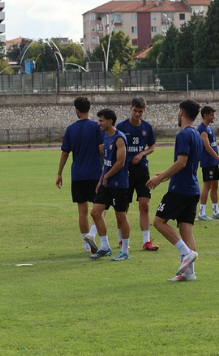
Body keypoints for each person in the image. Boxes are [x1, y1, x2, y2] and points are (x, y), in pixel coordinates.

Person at [147, 99, 203, 282]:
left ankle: (186, 253)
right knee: (186, 229)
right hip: (193, 188)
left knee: (158, 222)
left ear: (180, 112)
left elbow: (181, 162)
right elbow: (187, 165)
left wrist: (159, 178)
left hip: (180, 189)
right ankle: (190, 273)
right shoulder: (196, 134)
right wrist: (165, 173)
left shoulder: (183, 135)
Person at [55, 97, 104, 253]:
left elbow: (64, 153)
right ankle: (93, 234)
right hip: (95, 174)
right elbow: (102, 149)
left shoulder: (70, 129)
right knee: (101, 208)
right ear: (90, 109)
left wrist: (59, 173)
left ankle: (85, 244)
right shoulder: (97, 127)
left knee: (82, 211)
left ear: (76, 110)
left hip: (77, 175)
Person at [115, 97, 159, 251]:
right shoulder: (121, 126)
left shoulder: (147, 127)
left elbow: (152, 147)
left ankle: (146, 241)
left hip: (142, 170)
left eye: (140, 111)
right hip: (125, 171)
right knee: (124, 206)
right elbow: (115, 147)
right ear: (130, 108)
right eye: (135, 111)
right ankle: (122, 239)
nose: (137, 114)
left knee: (144, 205)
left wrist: (142, 153)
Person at [88, 109, 131, 261]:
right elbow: (106, 163)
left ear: (110, 121)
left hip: (118, 184)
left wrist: (106, 176)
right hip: (106, 182)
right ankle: (105, 247)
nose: (98, 123)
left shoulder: (119, 138)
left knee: (120, 216)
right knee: (95, 212)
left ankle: (125, 251)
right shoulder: (105, 136)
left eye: (101, 120)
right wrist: (101, 180)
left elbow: (120, 162)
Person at [197, 106, 219, 220]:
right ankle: (201, 213)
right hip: (208, 162)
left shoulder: (209, 127)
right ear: (205, 115)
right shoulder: (202, 129)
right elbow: (207, 147)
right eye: (211, 114)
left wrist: (217, 160)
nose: (213, 116)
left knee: (215, 186)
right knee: (207, 186)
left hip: (214, 162)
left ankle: (216, 212)